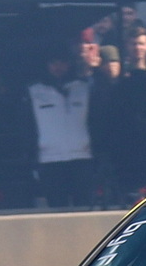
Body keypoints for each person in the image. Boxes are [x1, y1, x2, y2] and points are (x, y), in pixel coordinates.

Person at [26, 50, 95, 207]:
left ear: (69, 64)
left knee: (84, 208)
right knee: (58, 209)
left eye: (62, 62)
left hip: (82, 157)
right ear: (46, 65)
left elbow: (95, 122)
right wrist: (31, 156)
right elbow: (28, 127)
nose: (58, 67)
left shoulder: (84, 88)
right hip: (49, 159)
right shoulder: (34, 91)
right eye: (53, 63)